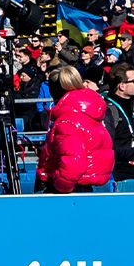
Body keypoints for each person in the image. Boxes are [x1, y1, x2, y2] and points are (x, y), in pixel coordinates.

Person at [37, 65, 114, 194]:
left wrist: (61, 187)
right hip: (87, 185)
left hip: (72, 190)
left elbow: (73, 163)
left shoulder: (68, 121)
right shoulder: (88, 112)